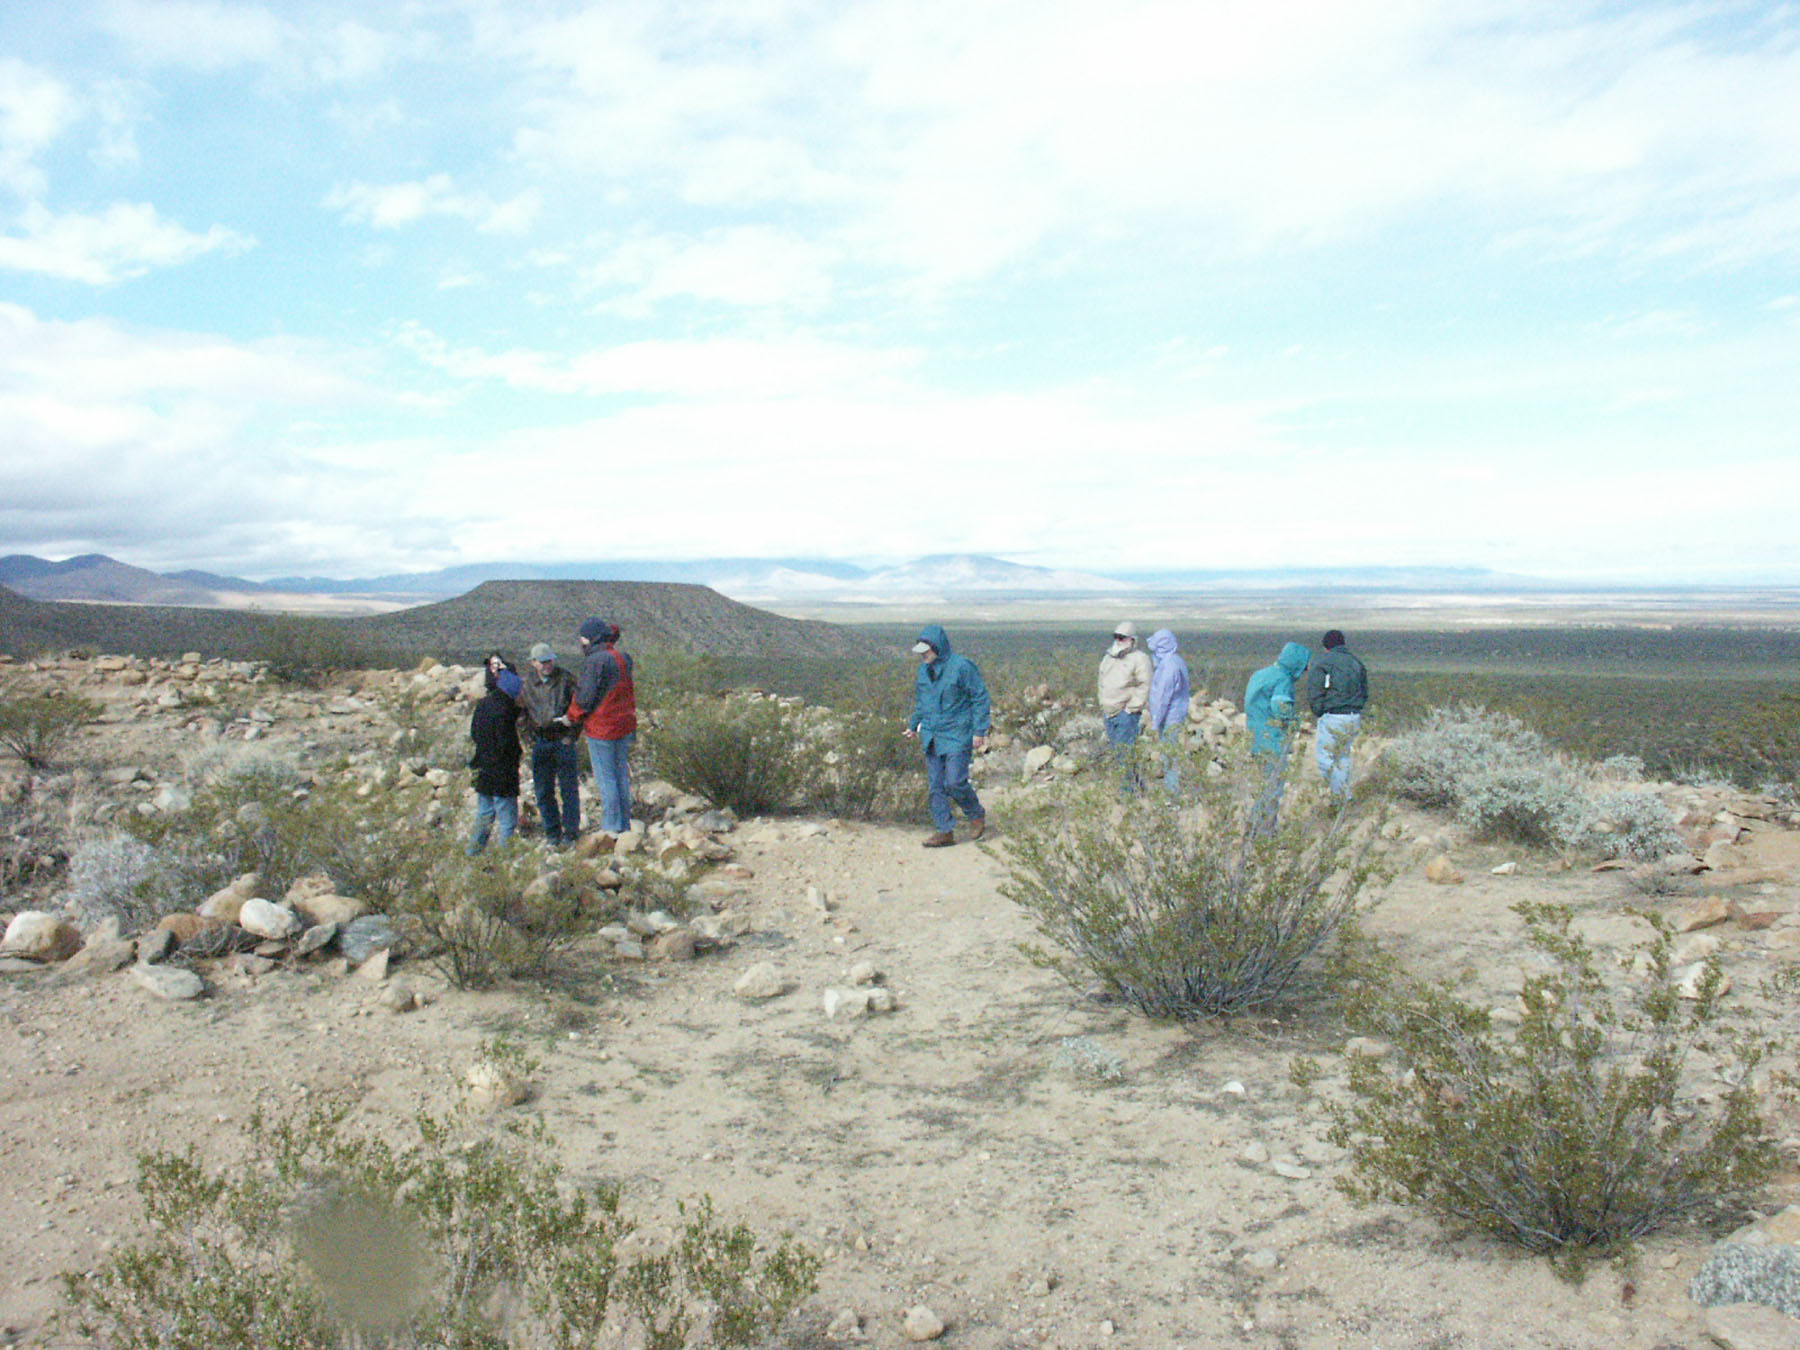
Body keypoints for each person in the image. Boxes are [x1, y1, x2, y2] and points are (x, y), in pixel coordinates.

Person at [904, 624, 990, 848]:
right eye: (920, 651)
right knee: (936, 786)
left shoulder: (961, 667)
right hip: (932, 734)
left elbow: (980, 698)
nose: (923, 654)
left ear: (937, 647)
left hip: (957, 732)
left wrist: (979, 731)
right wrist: (914, 725)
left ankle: (976, 814)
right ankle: (944, 831)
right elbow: (923, 702)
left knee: (955, 781)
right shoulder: (923, 671)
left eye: (926, 650)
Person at [567, 617, 637, 836]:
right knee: (620, 777)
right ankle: (624, 825)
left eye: (583, 638)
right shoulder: (623, 658)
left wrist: (570, 717)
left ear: (590, 638)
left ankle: (610, 829)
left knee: (607, 779)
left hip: (602, 729)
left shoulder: (595, 661)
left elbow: (585, 698)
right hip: (624, 725)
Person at [518, 641, 581, 847]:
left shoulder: (566, 679)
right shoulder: (527, 684)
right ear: (534, 662)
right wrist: (529, 739)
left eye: (550, 660)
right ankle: (552, 833)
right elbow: (521, 715)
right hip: (541, 742)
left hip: (563, 741)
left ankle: (571, 832)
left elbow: (579, 709)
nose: (547, 665)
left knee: (568, 789)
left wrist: (571, 736)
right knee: (543, 791)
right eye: (543, 661)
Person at [1243, 641, 1311, 833]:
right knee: (1273, 788)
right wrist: (1294, 722)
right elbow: (1280, 707)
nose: (1305, 671)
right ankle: (1264, 833)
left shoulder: (1260, 674)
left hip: (1255, 736)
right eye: (1304, 665)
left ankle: (1254, 824)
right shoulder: (1282, 680)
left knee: (1263, 785)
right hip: (1272, 740)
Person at [1307, 629, 1369, 799]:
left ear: (1325, 646)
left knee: (1325, 758)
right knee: (1343, 756)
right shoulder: (1356, 662)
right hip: (1353, 716)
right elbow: (1364, 690)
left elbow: (1315, 689)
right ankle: (1341, 795)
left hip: (1333, 715)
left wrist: (1318, 710)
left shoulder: (1323, 663)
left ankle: (1341, 796)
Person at [467, 667, 523, 855]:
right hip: (503, 773)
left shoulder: (483, 704)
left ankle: (472, 854)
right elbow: (507, 744)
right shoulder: (506, 712)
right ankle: (505, 859)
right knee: (507, 820)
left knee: (484, 814)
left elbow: (474, 733)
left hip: (483, 768)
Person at [1097, 620, 1154, 789]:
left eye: (1122, 637)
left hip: (1125, 714)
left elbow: (1146, 685)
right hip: (1109, 712)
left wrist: (1131, 708)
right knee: (1120, 754)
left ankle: (1129, 794)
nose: (1118, 640)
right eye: (1116, 637)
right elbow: (1101, 680)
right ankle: (1136, 788)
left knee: (1125, 755)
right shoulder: (1109, 656)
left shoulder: (1140, 659)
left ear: (1132, 639)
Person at [1146, 628, 1191, 794]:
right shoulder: (1176, 661)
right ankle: (1170, 791)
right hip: (1175, 715)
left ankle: (1171, 795)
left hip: (1169, 717)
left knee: (1169, 757)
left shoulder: (1169, 666)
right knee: (1169, 755)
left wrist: (1155, 722)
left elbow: (1162, 697)